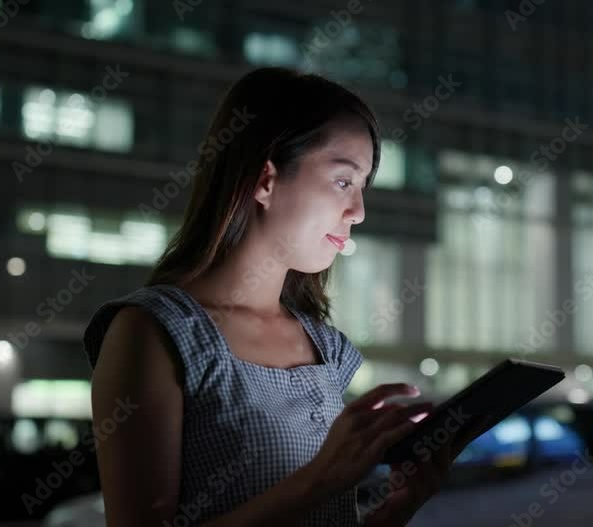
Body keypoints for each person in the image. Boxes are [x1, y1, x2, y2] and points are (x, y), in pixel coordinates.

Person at [82, 67, 484, 526]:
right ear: (266, 179)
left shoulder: (327, 348)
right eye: (342, 181)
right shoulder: (154, 332)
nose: (358, 210)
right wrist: (320, 478)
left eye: (362, 186)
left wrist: (394, 512)